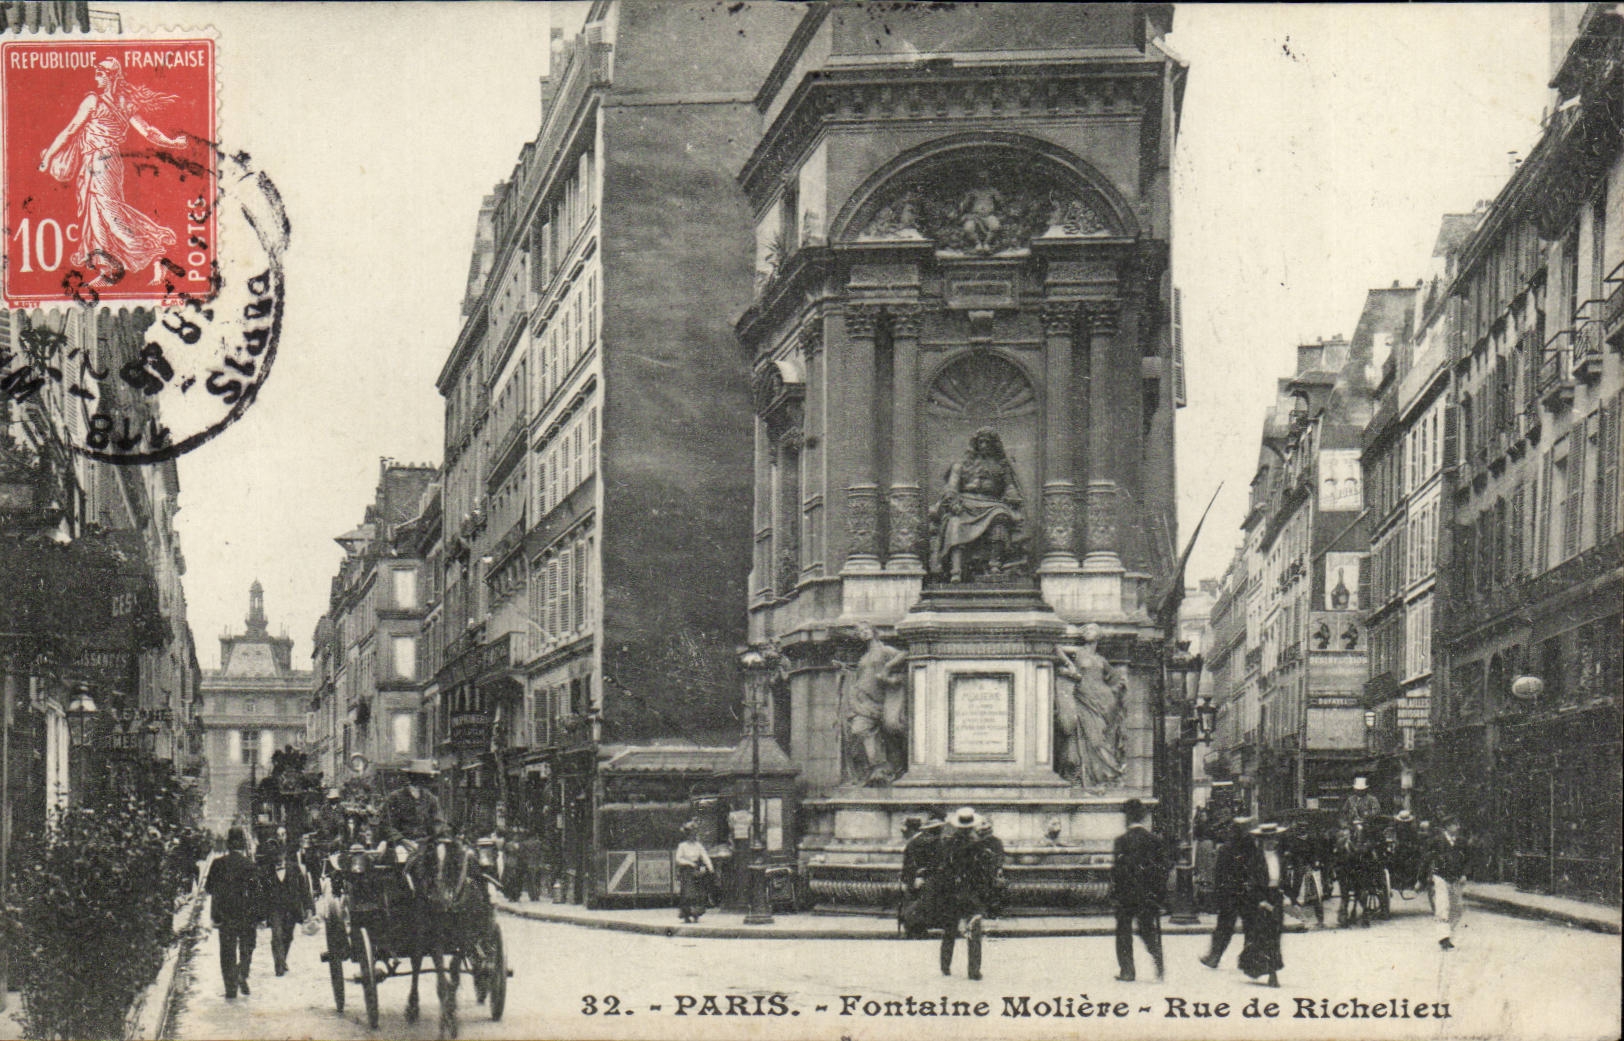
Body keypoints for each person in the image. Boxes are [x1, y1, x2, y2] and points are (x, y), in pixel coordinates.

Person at [37, 57, 188, 286]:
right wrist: (172, 142)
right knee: (98, 214)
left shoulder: (94, 101)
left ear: (111, 77)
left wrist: (48, 156)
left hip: (101, 163)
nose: (96, 77)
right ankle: (109, 269)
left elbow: (70, 131)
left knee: (109, 214)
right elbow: (148, 131)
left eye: (100, 74)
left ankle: (156, 255)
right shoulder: (123, 103)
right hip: (105, 162)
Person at [929, 428, 1026, 582]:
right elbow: (951, 488)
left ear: (994, 445)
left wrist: (1013, 495)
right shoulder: (960, 465)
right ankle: (956, 570)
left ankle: (995, 564)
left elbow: (1009, 487)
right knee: (955, 521)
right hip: (966, 503)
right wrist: (953, 502)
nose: (984, 445)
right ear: (975, 444)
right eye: (981, 442)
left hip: (992, 504)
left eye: (988, 442)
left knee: (1001, 515)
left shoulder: (1002, 466)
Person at [928, 807, 1000, 980]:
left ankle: (945, 966)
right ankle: (973, 970)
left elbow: (941, 869)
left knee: (949, 930)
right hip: (971, 893)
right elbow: (984, 871)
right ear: (972, 825)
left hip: (952, 892)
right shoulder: (979, 845)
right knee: (974, 931)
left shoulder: (947, 843)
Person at [1054, 624, 1127, 788]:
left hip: (1102, 701)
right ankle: (1099, 775)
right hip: (1084, 698)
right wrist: (1070, 666)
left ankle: (1103, 777)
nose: (1087, 631)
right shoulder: (1078, 652)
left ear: (1099, 635)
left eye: (1092, 629)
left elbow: (1117, 679)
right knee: (1093, 739)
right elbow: (1057, 648)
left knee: (1101, 736)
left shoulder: (1101, 660)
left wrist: (1111, 692)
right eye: (1085, 629)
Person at [841, 623, 908, 785]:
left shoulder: (884, 650)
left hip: (880, 698)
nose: (863, 633)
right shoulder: (864, 657)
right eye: (860, 632)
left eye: (866, 629)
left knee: (886, 730)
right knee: (858, 730)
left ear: (873, 631)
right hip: (863, 699)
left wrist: (887, 667)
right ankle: (878, 767)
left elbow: (904, 654)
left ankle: (884, 768)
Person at [1111, 798, 1168, 982]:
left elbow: (1118, 871)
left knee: (1123, 932)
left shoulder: (1121, 841)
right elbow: (1162, 870)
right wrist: (1159, 895)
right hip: (1147, 894)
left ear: (1127, 817)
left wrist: (1115, 893)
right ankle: (1158, 960)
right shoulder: (1154, 840)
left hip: (1126, 894)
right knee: (1147, 929)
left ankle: (1127, 971)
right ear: (1143, 817)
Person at [205, 826, 261, 999]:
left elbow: (208, 888)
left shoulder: (218, 864)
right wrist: (258, 915)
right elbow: (257, 892)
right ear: (242, 844)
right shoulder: (249, 865)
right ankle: (242, 972)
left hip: (225, 914)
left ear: (228, 844)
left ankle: (230, 989)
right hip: (246, 913)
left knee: (227, 951)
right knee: (247, 946)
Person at [1200, 815, 1256, 969]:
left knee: (1225, 927)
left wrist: (1218, 894)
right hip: (1245, 893)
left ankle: (1215, 957)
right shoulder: (1252, 848)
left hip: (1231, 894)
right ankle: (1245, 960)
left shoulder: (1227, 848)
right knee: (1249, 927)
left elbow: (1219, 875)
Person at [1237, 822, 1289, 988]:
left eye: (1273, 838)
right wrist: (1261, 901)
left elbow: (1284, 878)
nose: (1271, 842)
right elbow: (1251, 882)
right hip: (1261, 899)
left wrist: (1286, 895)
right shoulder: (1256, 859)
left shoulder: (1280, 857)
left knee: (1275, 935)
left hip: (1276, 898)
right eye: (1267, 839)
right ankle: (1271, 973)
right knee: (1264, 936)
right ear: (1261, 840)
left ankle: (1271, 970)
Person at [258, 838, 316, 977]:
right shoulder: (266, 871)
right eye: (275, 856)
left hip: (292, 909)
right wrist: (261, 914)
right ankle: (279, 966)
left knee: (288, 936)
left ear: (284, 855)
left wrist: (308, 908)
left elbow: (304, 889)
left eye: (280, 855)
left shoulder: (294, 868)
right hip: (275, 909)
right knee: (277, 936)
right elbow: (261, 894)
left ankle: (282, 959)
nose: (278, 858)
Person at [899, 809, 947, 938]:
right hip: (916, 879)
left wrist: (919, 876)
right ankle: (915, 928)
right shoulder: (920, 841)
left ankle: (915, 928)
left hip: (918, 880)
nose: (903, 833)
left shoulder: (920, 842)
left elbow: (925, 862)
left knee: (915, 905)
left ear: (911, 830)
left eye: (904, 830)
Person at [1430, 816, 1467, 951]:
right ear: (1447, 827)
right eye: (1454, 824)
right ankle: (1443, 937)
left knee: (1457, 909)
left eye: (1458, 824)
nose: (1457, 827)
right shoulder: (1437, 841)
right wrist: (1420, 879)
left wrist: (1464, 874)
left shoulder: (1462, 842)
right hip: (1441, 877)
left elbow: (1468, 860)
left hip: (1456, 878)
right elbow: (1427, 858)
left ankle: (1448, 933)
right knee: (1442, 906)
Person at [674, 820, 715, 923]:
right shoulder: (682, 846)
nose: (692, 836)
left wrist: (710, 867)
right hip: (686, 870)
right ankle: (686, 915)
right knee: (688, 893)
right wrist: (689, 863)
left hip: (696, 870)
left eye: (694, 834)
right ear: (687, 835)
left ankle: (696, 914)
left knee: (698, 892)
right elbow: (678, 859)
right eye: (690, 834)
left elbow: (704, 856)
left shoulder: (698, 846)